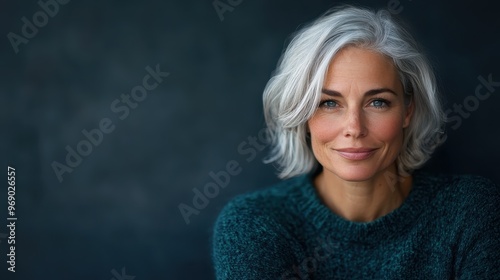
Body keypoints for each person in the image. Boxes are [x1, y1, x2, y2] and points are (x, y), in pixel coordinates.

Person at [212, 5, 500, 279]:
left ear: (407, 111)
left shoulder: (469, 211)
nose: (354, 128)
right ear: (302, 115)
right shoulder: (253, 224)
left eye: (377, 102)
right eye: (328, 103)